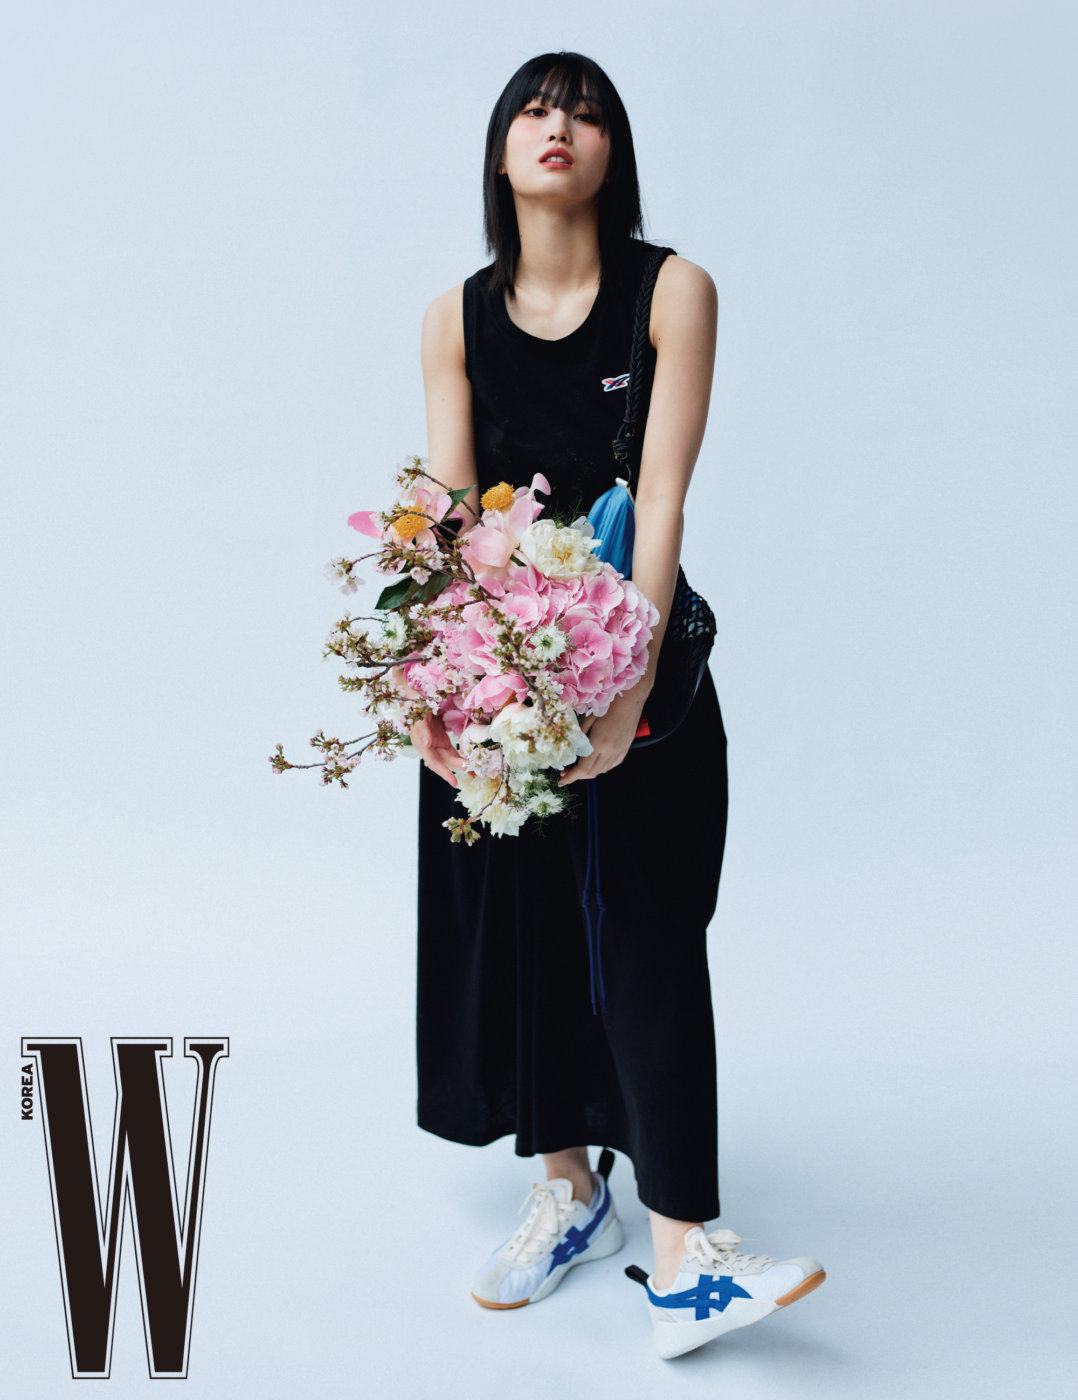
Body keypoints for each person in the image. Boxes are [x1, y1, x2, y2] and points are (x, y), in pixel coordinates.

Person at [409, 51, 825, 1359]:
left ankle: (688, 1250)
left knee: (647, 931)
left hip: (637, 656)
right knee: (528, 928)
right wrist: (435, 686)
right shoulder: (452, 318)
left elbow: (660, 500)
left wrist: (627, 684)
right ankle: (567, 1192)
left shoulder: (670, 290)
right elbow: (447, 519)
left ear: (612, 152)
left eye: (585, 113)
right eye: (536, 108)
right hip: (502, 673)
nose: (559, 127)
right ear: (500, 148)